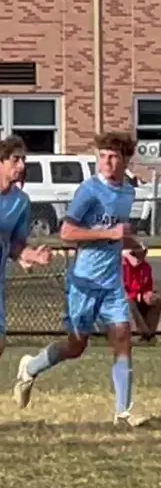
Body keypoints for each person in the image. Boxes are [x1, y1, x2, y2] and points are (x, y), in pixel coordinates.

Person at [13, 132, 145, 425]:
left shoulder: (128, 192)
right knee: (76, 346)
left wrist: (133, 245)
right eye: (103, 156)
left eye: (113, 157)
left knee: (123, 335)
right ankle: (31, 368)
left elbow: (118, 234)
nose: (107, 162)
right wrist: (109, 234)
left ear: (125, 160)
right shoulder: (89, 191)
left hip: (111, 282)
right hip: (84, 281)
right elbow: (67, 233)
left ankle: (123, 411)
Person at [0, 136, 53, 360]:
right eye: (15, 159)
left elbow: (15, 245)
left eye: (24, 160)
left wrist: (32, 256)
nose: (21, 165)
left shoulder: (21, 201)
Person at [123, 244, 161, 344]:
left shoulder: (146, 267)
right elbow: (124, 287)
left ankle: (150, 334)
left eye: (144, 252)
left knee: (158, 301)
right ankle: (144, 334)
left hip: (141, 296)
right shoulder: (125, 266)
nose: (142, 255)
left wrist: (148, 294)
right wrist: (138, 295)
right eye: (139, 252)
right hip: (130, 297)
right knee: (129, 303)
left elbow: (148, 286)